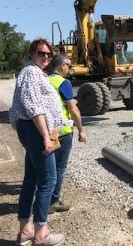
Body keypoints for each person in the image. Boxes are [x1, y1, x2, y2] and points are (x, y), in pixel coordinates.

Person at [9, 38, 65, 246]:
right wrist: (45, 137)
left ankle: (25, 230)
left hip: (33, 130)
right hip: (35, 130)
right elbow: (34, 107)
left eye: (49, 55)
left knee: (31, 178)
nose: (46, 57)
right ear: (32, 53)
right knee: (48, 180)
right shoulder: (31, 72)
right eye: (41, 53)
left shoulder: (35, 72)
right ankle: (41, 233)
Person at [46, 54, 87, 213]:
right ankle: (54, 201)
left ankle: (45, 199)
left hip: (47, 131)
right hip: (62, 132)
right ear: (61, 65)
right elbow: (73, 109)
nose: (70, 69)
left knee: (48, 168)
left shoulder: (44, 80)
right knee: (59, 168)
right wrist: (81, 130)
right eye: (68, 65)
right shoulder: (64, 83)